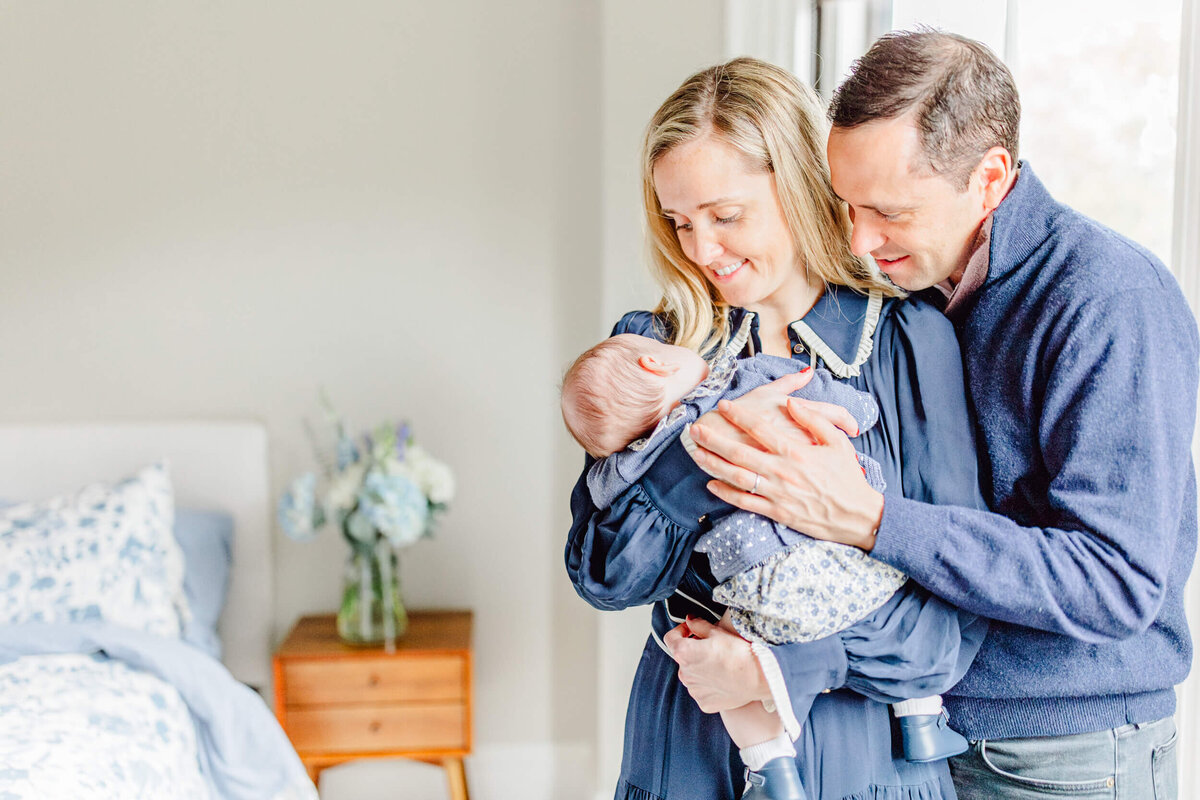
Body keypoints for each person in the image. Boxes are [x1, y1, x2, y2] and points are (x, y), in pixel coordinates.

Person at [684, 31, 1198, 799]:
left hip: (1064, 756)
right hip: (911, 741)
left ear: (990, 178)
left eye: (888, 211)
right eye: (844, 205)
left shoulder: (1106, 300)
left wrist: (870, 518)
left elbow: (1115, 582)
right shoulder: (900, 296)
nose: (858, 240)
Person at [565, 56, 988, 800]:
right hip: (686, 757)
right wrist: (694, 457)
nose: (700, 250)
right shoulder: (653, 352)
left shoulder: (906, 345)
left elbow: (950, 624)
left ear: (799, 185)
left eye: (726, 217)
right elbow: (603, 577)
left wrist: (777, 667)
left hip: (864, 764)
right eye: (678, 222)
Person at [560, 332, 969, 773]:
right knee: (888, 585)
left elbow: (606, 494)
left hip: (750, 582)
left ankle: (770, 768)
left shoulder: (631, 454)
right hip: (832, 563)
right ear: (653, 363)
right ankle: (921, 720)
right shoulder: (741, 378)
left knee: (722, 649)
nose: (704, 257)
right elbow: (604, 578)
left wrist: (672, 463)